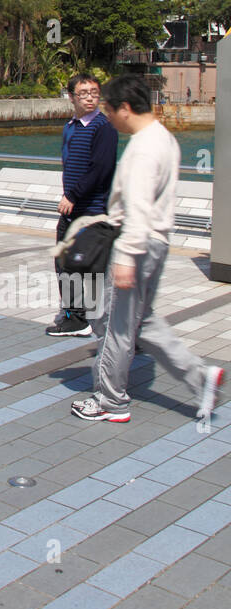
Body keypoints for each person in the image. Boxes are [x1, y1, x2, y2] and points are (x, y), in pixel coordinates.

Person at [71, 76, 224, 424]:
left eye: (109, 110)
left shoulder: (142, 148)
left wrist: (125, 257)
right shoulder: (165, 139)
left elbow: (137, 208)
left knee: (115, 326)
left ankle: (111, 400)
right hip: (157, 243)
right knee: (143, 321)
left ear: (125, 108)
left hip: (135, 245)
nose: (107, 116)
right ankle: (200, 377)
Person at [48, 73, 118, 338]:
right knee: (65, 263)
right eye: (83, 93)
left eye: (94, 92)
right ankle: (75, 316)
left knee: (86, 267)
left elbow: (101, 168)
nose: (89, 97)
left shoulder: (104, 127)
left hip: (90, 211)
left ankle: (84, 317)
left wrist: (73, 195)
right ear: (71, 97)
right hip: (73, 209)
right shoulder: (71, 126)